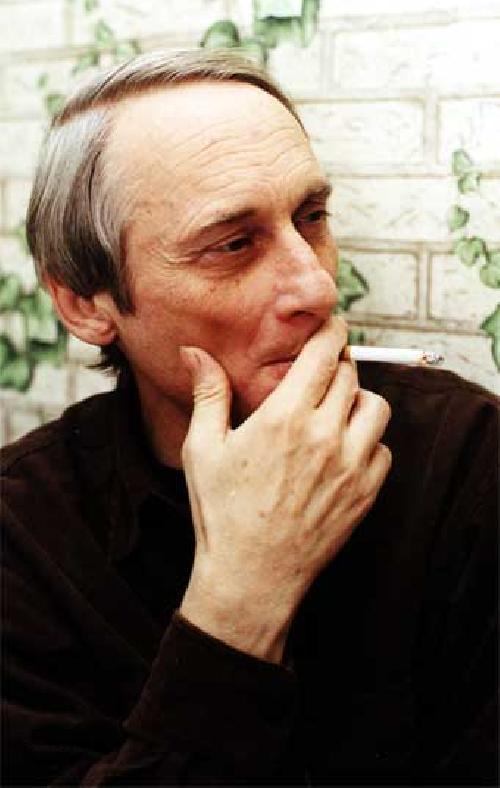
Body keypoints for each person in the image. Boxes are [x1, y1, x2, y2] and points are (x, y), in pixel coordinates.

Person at [1, 49, 497, 787]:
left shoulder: (466, 457)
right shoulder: (23, 534)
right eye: (233, 244)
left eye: (312, 217)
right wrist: (240, 602)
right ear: (85, 303)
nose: (316, 288)